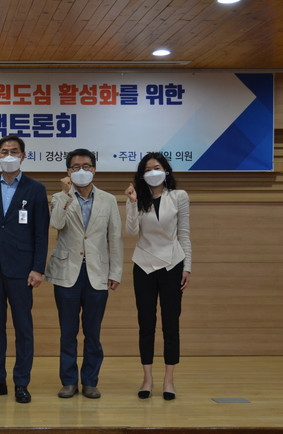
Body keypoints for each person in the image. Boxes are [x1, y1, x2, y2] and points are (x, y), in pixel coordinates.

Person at [0, 135, 49, 404]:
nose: (9, 156)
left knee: (23, 327)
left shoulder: (36, 189)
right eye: (4, 151)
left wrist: (38, 268)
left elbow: (41, 232)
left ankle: (21, 382)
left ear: (23, 156)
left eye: (14, 151)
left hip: (22, 269)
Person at [46, 148, 122, 400]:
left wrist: (116, 271)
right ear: (68, 171)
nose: (81, 171)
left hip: (97, 273)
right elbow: (56, 224)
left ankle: (90, 381)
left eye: (86, 166)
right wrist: (67, 195)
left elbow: (115, 238)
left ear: (94, 169)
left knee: (93, 332)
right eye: (75, 167)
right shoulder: (59, 197)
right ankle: (68, 381)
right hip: (67, 272)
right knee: (68, 332)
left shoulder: (108, 200)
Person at [125, 152, 191, 401]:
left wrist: (187, 266)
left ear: (166, 171)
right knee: (146, 324)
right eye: (147, 169)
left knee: (171, 324)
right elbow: (131, 231)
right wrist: (132, 202)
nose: (153, 172)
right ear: (142, 175)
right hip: (144, 264)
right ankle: (147, 378)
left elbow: (184, 234)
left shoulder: (179, 196)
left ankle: (169, 380)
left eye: (157, 167)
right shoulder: (137, 198)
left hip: (172, 263)